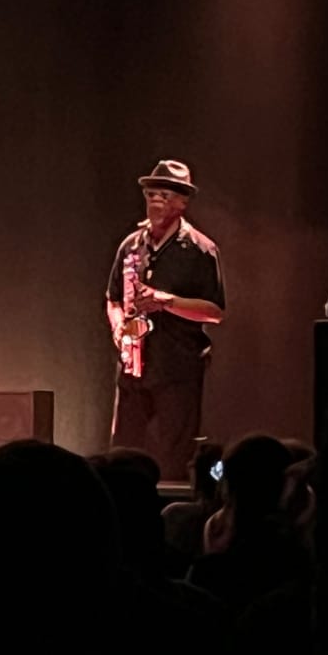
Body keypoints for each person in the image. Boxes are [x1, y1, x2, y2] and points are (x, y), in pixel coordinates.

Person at [105, 158, 225, 480]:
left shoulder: (200, 249)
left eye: (166, 195)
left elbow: (214, 312)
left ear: (183, 202)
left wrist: (165, 301)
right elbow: (113, 298)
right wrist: (119, 327)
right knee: (122, 454)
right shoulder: (131, 245)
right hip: (133, 368)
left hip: (177, 369)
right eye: (152, 193)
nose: (156, 200)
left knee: (173, 457)